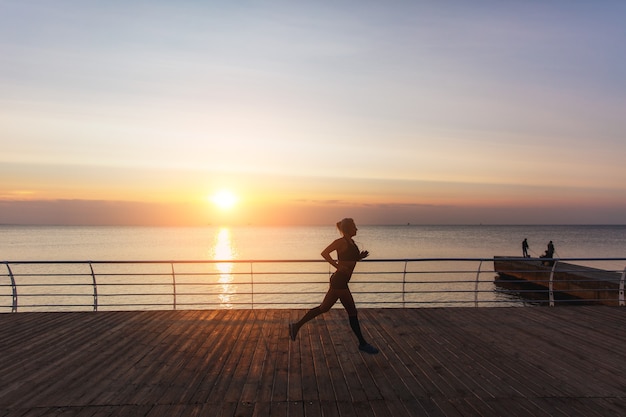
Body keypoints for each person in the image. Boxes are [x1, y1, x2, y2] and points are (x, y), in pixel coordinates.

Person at [289, 218, 379, 354]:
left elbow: (349, 259)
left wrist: (359, 257)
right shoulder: (340, 242)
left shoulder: (351, 242)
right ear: (348, 229)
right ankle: (362, 343)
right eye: (354, 227)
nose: (357, 229)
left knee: (324, 308)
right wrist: (338, 266)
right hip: (339, 282)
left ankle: (296, 326)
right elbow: (324, 253)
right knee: (352, 312)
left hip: (341, 281)